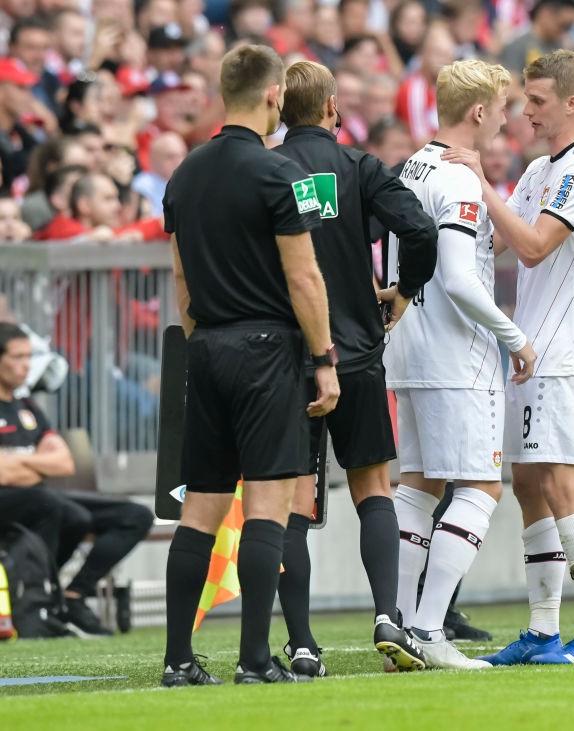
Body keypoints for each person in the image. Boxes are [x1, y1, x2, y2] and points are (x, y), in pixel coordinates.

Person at [160, 44, 340, 687]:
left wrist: (202, 337)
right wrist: (323, 360)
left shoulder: (183, 174)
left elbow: (181, 275)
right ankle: (255, 660)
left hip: (206, 348)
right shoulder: (277, 174)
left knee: (200, 511)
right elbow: (304, 277)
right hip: (268, 351)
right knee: (269, 506)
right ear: (273, 97)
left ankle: (179, 660)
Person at [442, 49, 574, 665]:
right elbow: (499, 241)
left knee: (562, 481)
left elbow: (535, 245)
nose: (527, 111)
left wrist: (481, 183)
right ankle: (544, 630)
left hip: (567, 347)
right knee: (528, 483)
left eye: (538, 101)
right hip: (531, 346)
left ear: (572, 103)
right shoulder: (537, 170)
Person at [275, 59, 437, 676]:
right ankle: (388, 617)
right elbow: (419, 229)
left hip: (293, 355)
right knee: (373, 488)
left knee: (292, 501)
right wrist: (402, 288)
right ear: (331, 108)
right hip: (360, 352)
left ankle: (304, 644)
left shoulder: (270, 168)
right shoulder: (360, 166)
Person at [384, 58, 537, 670]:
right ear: (479, 111)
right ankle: (426, 631)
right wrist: (514, 337)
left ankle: (397, 626)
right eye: (502, 107)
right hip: (457, 354)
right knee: (479, 486)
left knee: (417, 486)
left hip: (409, 346)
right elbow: (458, 278)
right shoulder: (458, 179)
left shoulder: (410, 167)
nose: (505, 118)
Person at [0, 323, 154, 637]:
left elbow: (63, 462)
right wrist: (37, 463)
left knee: (134, 515)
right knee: (56, 507)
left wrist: (18, 461)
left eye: (29, 356)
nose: (26, 365)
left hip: (39, 496)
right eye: (17, 357)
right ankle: (36, 603)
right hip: (15, 501)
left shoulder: (27, 407)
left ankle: (73, 594)